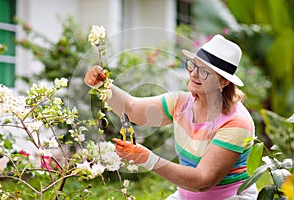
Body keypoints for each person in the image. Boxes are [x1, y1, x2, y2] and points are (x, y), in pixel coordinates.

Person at [84, 34, 258, 200]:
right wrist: (101, 85)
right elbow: (133, 109)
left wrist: (148, 159)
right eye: (193, 65)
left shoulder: (236, 122)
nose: (194, 74)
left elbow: (203, 181)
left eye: (205, 71)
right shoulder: (182, 103)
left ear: (224, 82)